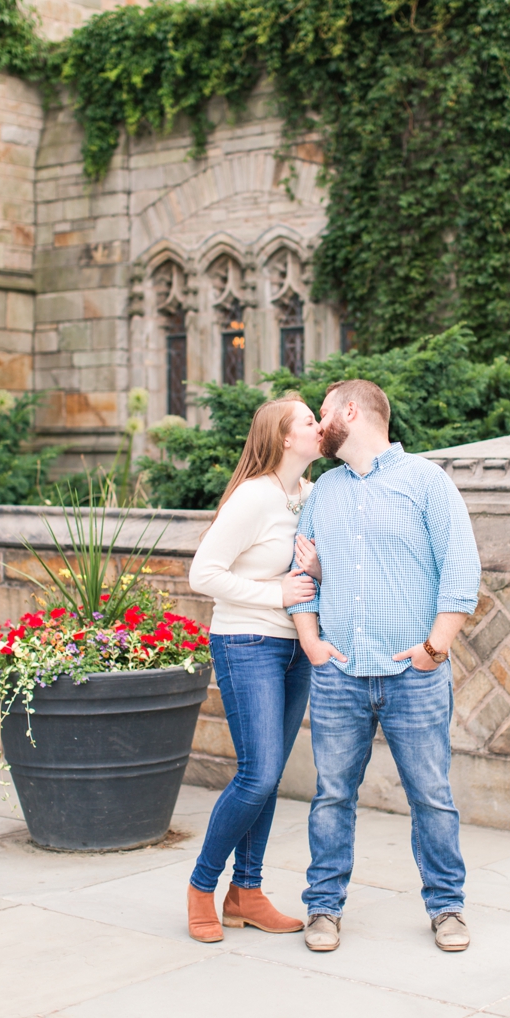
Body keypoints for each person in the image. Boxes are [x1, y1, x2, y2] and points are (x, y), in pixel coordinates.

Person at [286, 378, 480, 954]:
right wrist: (313, 643)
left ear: (352, 411)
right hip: (339, 673)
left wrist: (435, 649)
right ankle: (323, 909)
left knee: (431, 796)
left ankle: (447, 907)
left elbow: (461, 570)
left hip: (413, 676)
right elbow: (301, 578)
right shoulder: (325, 491)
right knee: (331, 797)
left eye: (324, 413)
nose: (320, 426)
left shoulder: (425, 483)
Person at [185, 394, 323, 942]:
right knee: (258, 774)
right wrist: (274, 592)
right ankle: (201, 887)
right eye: (310, 421)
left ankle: (246, 894)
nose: (321, 427)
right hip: (246, 643)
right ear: (285, 438)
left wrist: (318, 568)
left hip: (296, 649)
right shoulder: (253, 497)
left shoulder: (309, 496)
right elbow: (203, 574)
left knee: (268, 779)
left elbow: (311, 577)